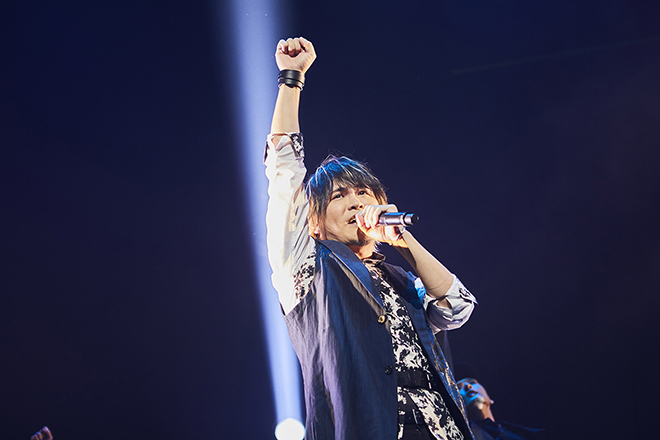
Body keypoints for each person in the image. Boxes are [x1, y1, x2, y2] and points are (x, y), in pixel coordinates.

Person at [265, 36, 478, 440]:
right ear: (314, 222)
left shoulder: (403, 279)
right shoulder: (306, 266)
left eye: (363, 192)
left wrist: (403, 242)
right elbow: (284, 171)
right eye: (339, 196)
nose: (355, 201)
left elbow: (457, 307)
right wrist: (291, 79)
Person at [457, 378, 545, 440]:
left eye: (472, 382)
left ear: (490, 399)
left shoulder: (523, 433)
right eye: (458, 388)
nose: (468, 386)